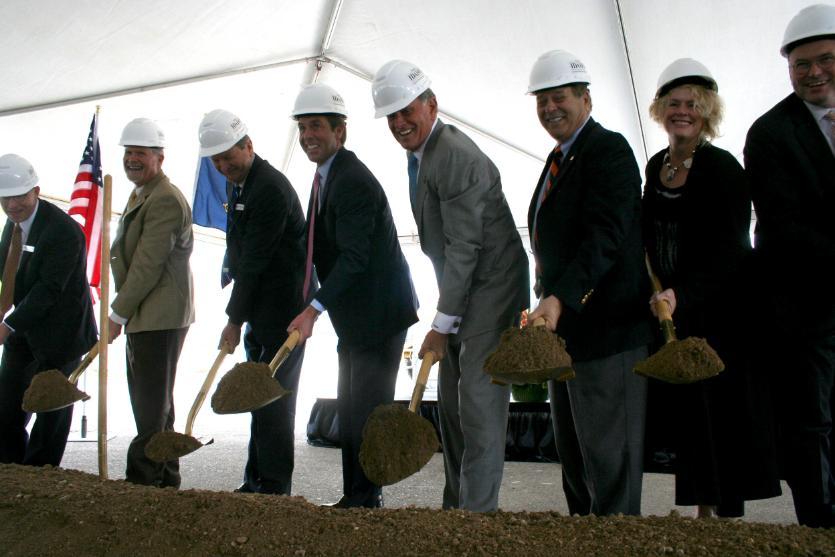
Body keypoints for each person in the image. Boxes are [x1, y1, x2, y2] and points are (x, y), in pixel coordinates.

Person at [371, 60, 529, 512]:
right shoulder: (423, 155)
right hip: (463, 289)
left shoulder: (454, 155)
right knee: (454, 408)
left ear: (431, 105)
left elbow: (464, 248)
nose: (399, 122)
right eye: (391, 115)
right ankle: (455, 510)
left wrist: (441, 325)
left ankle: (476, 519)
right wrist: (447, 315)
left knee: (478, 408)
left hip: (492, 289)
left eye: (407, 111)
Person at [643, 59, 781, 518]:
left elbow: (733, 252)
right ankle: (703, 513)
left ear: (706, 112)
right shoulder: (656, 166)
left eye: (692, 105)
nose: (682, 112)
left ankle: (725, 518)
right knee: (692, 415)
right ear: (661, 110)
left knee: (723, 412)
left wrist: (683, 293)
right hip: (676, 312)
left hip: (723, 313)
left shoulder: (722, 168)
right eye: (674, 104)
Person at [525, 50, 654, 516]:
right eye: (541, 100)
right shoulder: (560, 157)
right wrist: (544, 297)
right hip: (567, 335)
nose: (549, 108)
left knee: (609, 462)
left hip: (607, 333)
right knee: (577, 461)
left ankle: (616, 543)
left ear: (586, 99)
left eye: (559, 97)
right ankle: (583, 541)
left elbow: (606, 236)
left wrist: (559, 298)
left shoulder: (609, 151)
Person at [287, 84, 419, 508]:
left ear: (339, 131)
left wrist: (314, 308)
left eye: (317, 126)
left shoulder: (352, 180)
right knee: (351, 408)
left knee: (366, 412)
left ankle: (365, 499)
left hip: (379, 316)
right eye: (303, 127)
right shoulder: (326, 177)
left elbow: (355, 259)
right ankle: (356, 496)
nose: (308, 135)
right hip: (357, 317)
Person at [744, 4, 835, 528]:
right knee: (812, 422)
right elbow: (783, 226)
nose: (814, 72)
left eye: (826, 59)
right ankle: (820, 526)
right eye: (801, 64)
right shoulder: (770, 133)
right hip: (806, 308)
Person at [198, 109, 307, 495]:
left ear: (248, 145)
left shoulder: (269, 189)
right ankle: (255, 480)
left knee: (273, 400)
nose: (223, 166)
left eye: (228, 157)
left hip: (284, 314)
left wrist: (233, 320)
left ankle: (274, 488)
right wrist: (242, 317)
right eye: (216, 161)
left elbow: (255, 263)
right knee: (256, 398)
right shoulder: (239, 185)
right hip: (260, 311)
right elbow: (241, 252)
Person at [108, 118, 195, 488]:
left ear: (160, 157)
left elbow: (148, 265)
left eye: (141, 153)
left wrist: (116, 313)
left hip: (160, 317)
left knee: (150, 409)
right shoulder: (144, 193)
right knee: (158, 405)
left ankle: (142, 484)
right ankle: (166, 480)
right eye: (129, 152)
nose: (132, 159)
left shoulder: (164, 200)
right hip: (147, 315)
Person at [0, 154, 97, 466]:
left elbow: (48, 290)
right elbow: (7, 271)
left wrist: (7, 325)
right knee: (7, 406)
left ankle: (42, 475)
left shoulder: (63, 232)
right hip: (25, 327)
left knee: (51, 412)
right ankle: (11, 471)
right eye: (5, 199)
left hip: (61, 334)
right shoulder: (13, 225)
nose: (12, 205)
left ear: (36, 191)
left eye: (19, 197)